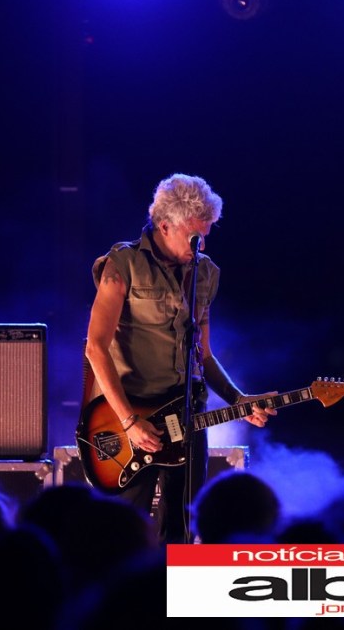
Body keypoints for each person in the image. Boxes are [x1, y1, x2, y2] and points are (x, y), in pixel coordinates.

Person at [83, 172, 275, 544]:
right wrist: (128, 421)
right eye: (194, 235)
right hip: (129, 417)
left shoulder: (205, 274)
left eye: (206, 234)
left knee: (183, 529)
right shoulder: (122, 264)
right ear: (165, 226)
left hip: (185, 414)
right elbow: (95, 347)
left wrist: (238, 399)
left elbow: (204, 354)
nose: (201, 244)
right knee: (123, 532)